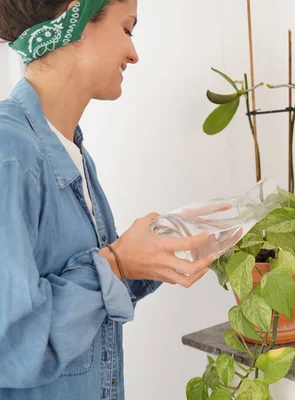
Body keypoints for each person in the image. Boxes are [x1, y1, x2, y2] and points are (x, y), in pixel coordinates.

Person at [0, 1, 221, 398]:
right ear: (77, 20)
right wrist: (115, 263)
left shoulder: (71, 152)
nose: (134, 54)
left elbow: (79, 304)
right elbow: (10, 346)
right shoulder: (9, 154)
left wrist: (151, 250)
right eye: (127, 29)